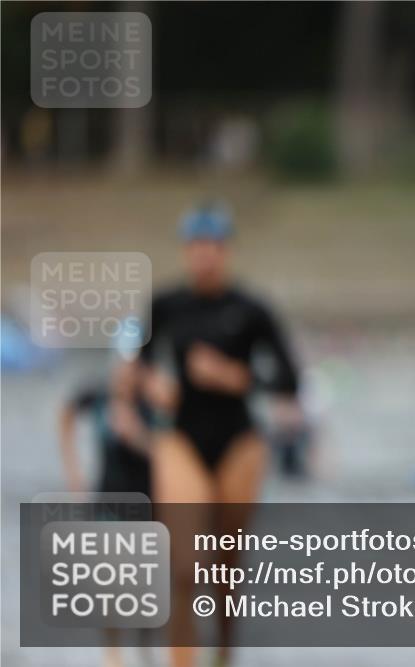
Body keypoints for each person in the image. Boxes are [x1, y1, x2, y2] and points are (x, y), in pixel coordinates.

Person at [138, 203, 301, 667]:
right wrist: (153, 386)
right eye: (196, 247)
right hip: (181, 437)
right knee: (185, 565)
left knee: (225, 565)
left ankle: (224, 653)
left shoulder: (251, 309)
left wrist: (234, 377)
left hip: (238, 439)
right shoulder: (164, 305)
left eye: (214, 247)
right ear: (186, 251)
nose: (205, 257)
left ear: (226, 251)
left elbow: (289, 379)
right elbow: (137, 365)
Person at [58, 360, 153, 667]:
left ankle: (143, 648)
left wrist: (137, 436)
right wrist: (74, 473)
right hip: (109, 498)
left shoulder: (153, 400)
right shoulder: (99, 395)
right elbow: (66, 414)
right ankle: (113, 654)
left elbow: (171, 454)